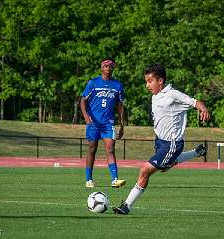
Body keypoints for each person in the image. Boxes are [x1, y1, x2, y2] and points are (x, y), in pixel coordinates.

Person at [113, 63, 210, 214]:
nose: (147, 85)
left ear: (160, 81)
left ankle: (126, 206)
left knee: (145, 170)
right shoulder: (155, 96)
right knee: (164, 167)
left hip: (172, 144)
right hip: (160, 141)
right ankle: (197, 152)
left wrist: (202, 108)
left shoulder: (172, 94)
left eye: (149, 81)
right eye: (146, 81)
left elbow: (194, 102)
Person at [80, 57, 126, 188]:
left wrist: (122, 125)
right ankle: (89, 179)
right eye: (106, 66)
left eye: (111, 66)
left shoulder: (117, 85)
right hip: (93, 122)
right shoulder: (93, 83)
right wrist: (86, 118)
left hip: (108, 123)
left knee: (110, 149)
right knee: (92, 149)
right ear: (101, 68)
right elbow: (82, 101)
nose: (108, 68)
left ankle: (115, 179)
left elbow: (120, 106)